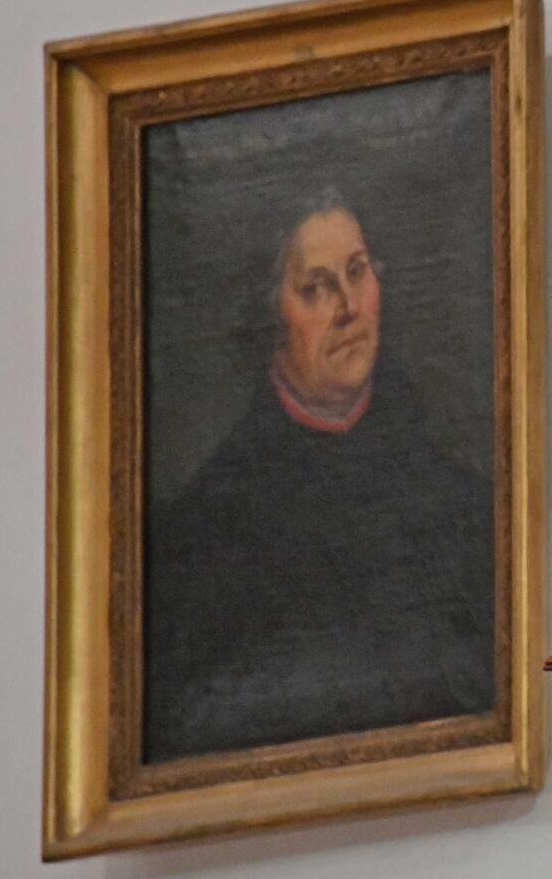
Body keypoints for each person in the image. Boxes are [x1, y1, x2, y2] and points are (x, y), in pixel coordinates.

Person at [142, 194, 495, 762]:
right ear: (270, 316)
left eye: (357, 273)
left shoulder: (460, 499)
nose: (349, 308)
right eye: (316, 288)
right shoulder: (209, 528)